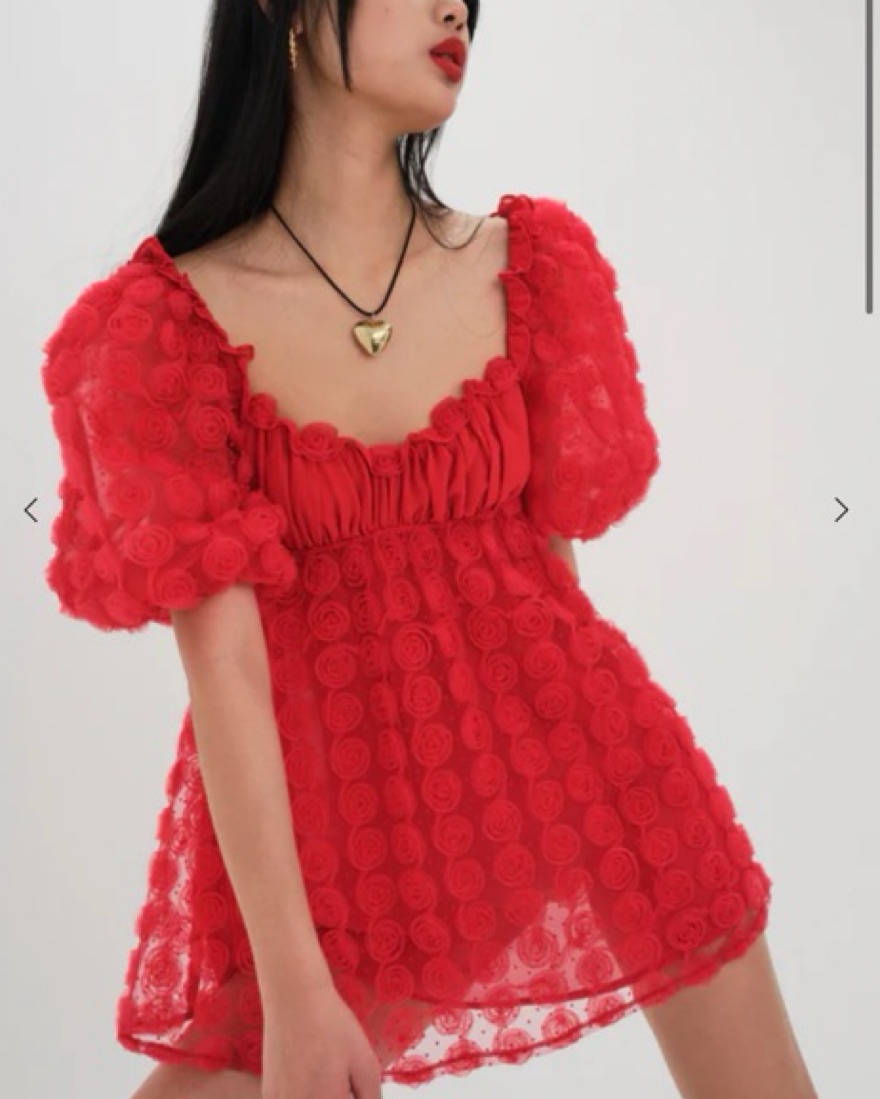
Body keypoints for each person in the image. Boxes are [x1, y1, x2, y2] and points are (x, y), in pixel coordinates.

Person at [39, 2, 819, 1098]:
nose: (458, 8)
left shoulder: (531, 264)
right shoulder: (161, 329)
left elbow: (555, 595)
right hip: (349, 863)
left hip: (604, 785)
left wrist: (560, 816)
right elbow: (228, 672)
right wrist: (296, 987)